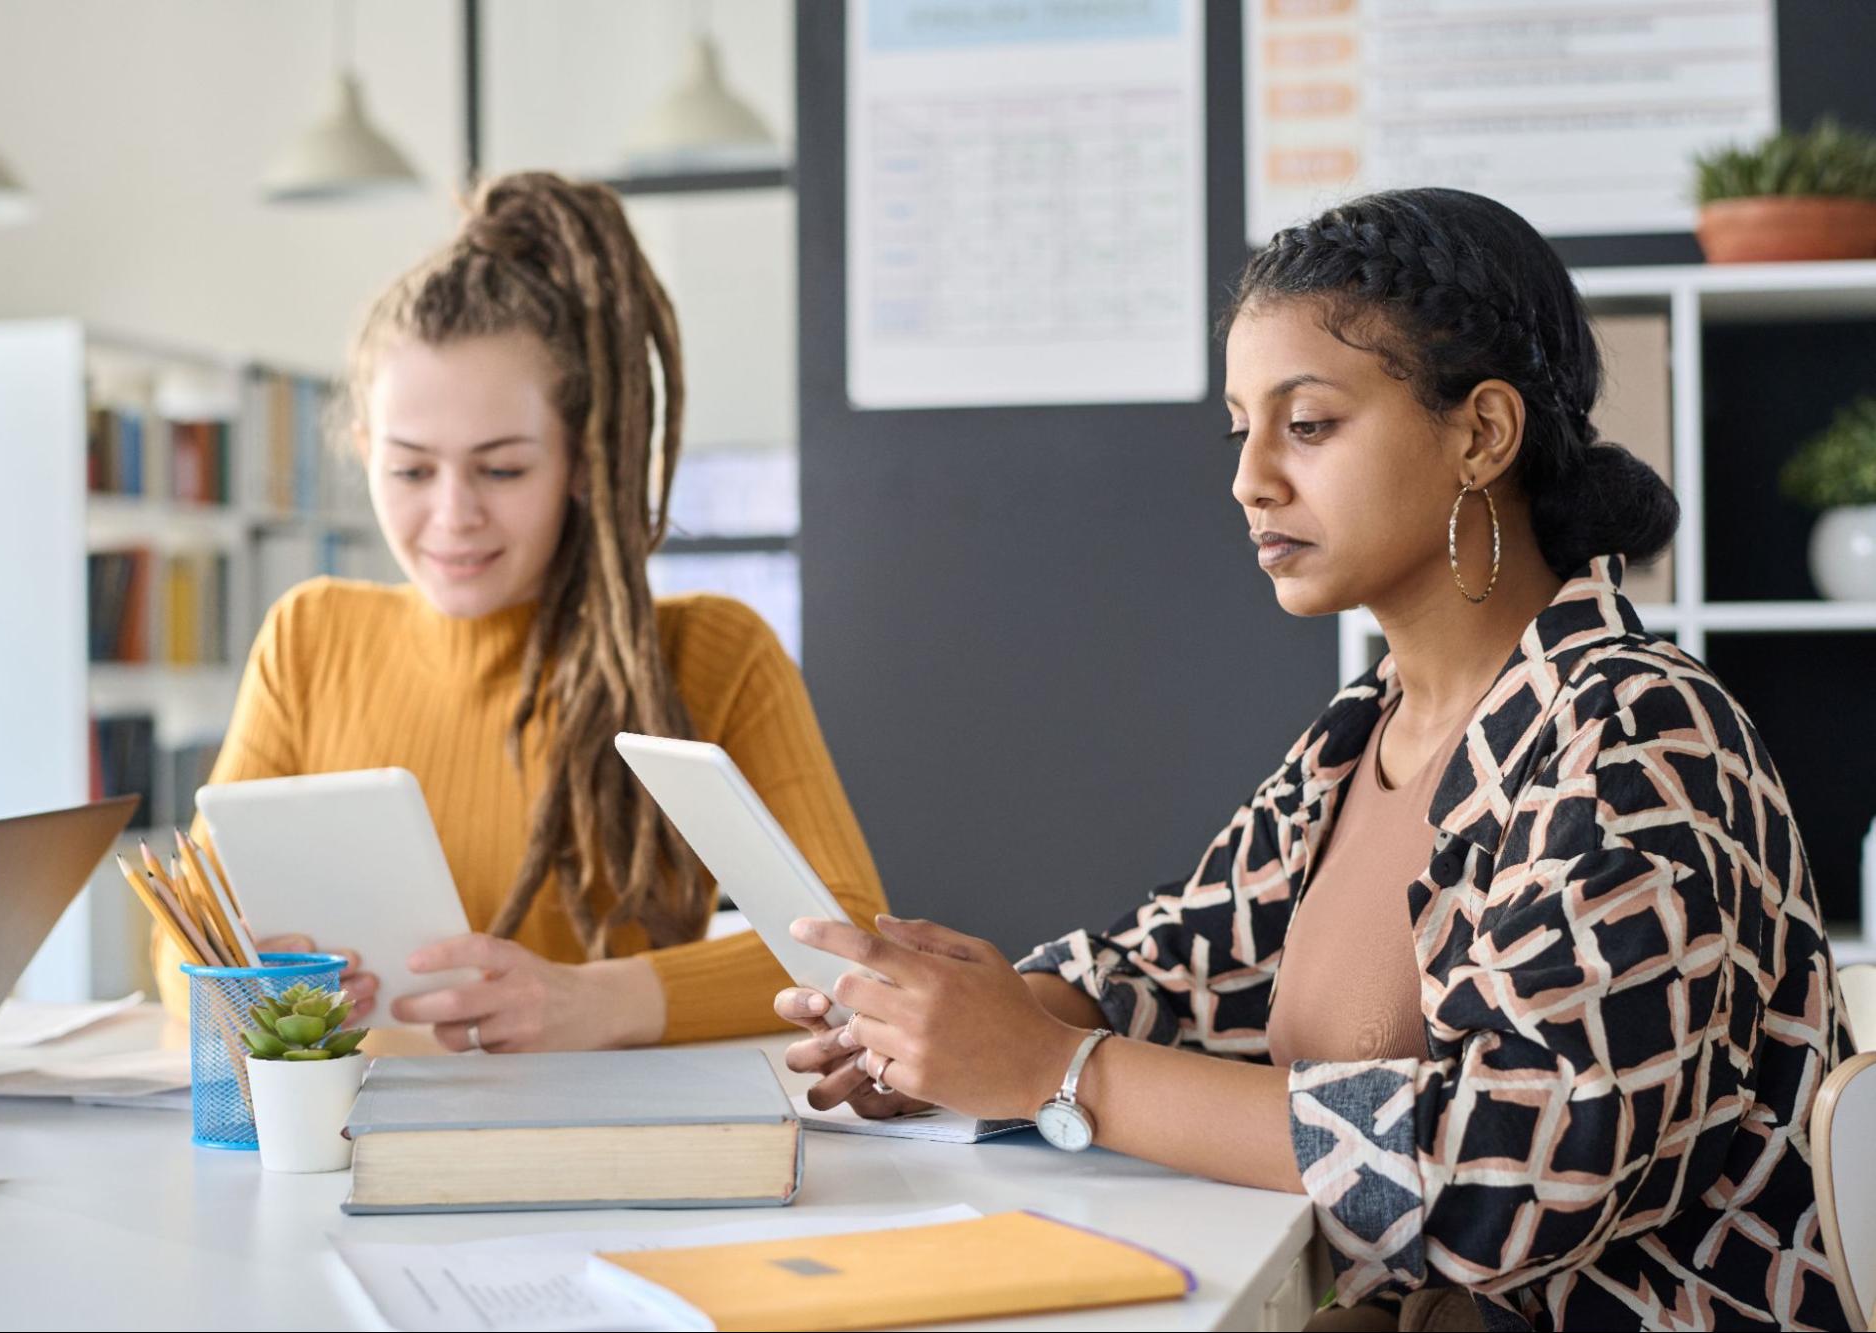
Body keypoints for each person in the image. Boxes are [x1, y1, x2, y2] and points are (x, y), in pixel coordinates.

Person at [772, 189, 1851, 1330]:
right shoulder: (1365, 729)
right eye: (1240, 427)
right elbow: (1183, 968)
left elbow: (1514, 1175)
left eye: (1310, 424)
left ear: (1480, 433)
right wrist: (943, 1031)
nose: (1250, 478)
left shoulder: (1634, 734)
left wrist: (1052, 1070)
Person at [154, 171, 886, 1051]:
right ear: (363, 451)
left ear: (582, 461)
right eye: (411, 470)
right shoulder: (310, 636)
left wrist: (591, 1000)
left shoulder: (710, 653)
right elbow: (179, 935)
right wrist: (238, 978)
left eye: (501, 469)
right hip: (345, 1145)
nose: (453, 515)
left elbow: (854, 949)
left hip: (602, 1153)